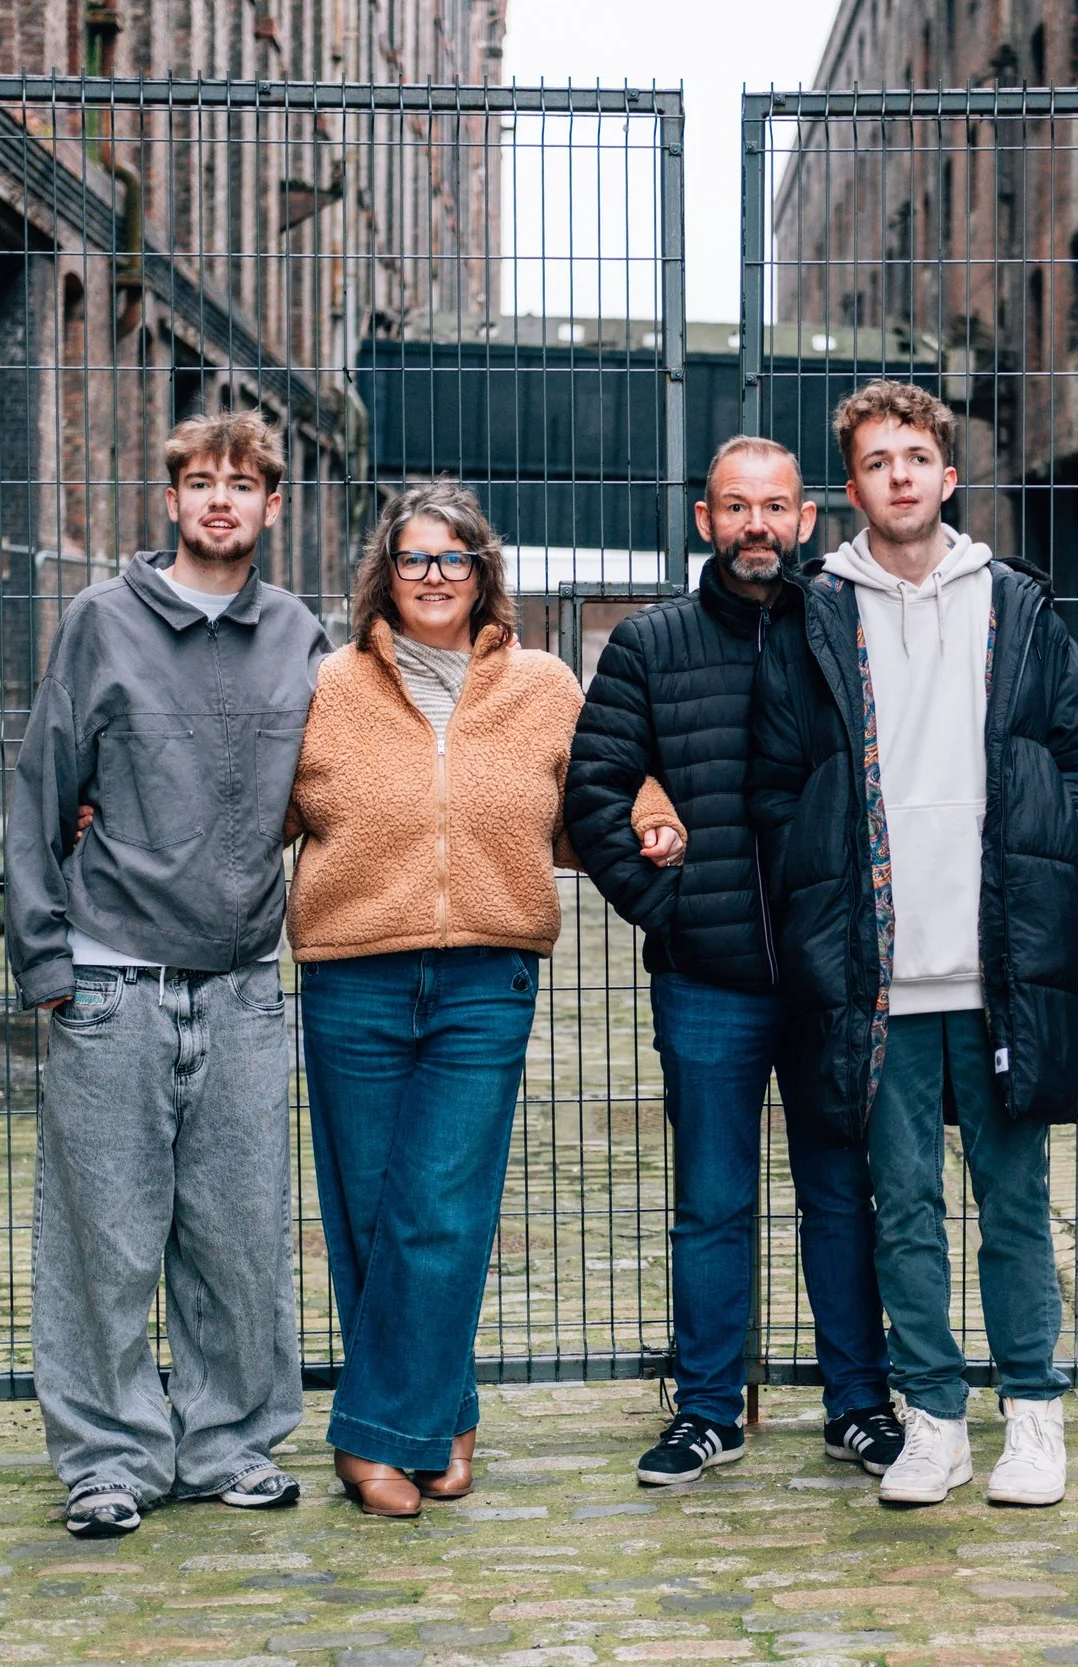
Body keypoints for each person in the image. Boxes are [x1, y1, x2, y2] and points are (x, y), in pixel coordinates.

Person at [747, 382, 1078, 1507]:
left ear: (947, 476)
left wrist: (1061, 852)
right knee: (899, 1202)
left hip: (997, 963)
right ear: (851, 487)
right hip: (876, 971)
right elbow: (776, 787)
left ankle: (1034, 1415)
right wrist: (816, 889)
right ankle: (933, 1420)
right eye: (876, 461)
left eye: (916, 456)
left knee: (1012, 1198)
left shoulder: (1013, 604)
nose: (899, 475)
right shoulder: (816, 614)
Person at [286, 481, 685, 1518]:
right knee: (372, 1213)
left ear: (482, 573)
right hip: (351, 972)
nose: (433, 577)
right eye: (415, 558)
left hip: (485, 978)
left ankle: (375, 1440)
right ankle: (441, 1410)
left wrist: (649, 812)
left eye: (452, 559)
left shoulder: (544, 685)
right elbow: (262, 803)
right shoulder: (329, 683)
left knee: (443, 1208)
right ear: (388, 571)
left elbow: (602, 786)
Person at [6, 411, 329, 1538]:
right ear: (174, 499)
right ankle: (107, 1457)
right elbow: (42, 783)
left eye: (243, 483)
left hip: (240, 978)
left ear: (272, 505)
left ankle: (231, 1442)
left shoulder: (299, 635)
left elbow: (344, 783)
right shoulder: (103, 621)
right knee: (103, 1231)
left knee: (240, 1232)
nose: (221, 500)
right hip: (110, 977)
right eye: (200, 482)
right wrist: (46, 955)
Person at [568, 436, 901, 1487]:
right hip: (705, 975)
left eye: (774, 505)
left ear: (806, 520)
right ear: (703, 522)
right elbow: (593, 791)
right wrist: (667, 906)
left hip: (826, 975)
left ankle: (859, 1401)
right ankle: (709, 1406)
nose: (755, 522)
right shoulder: (650, 645)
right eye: (732, 505)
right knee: (711, 1198)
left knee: (842, 1192)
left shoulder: (849, 632)